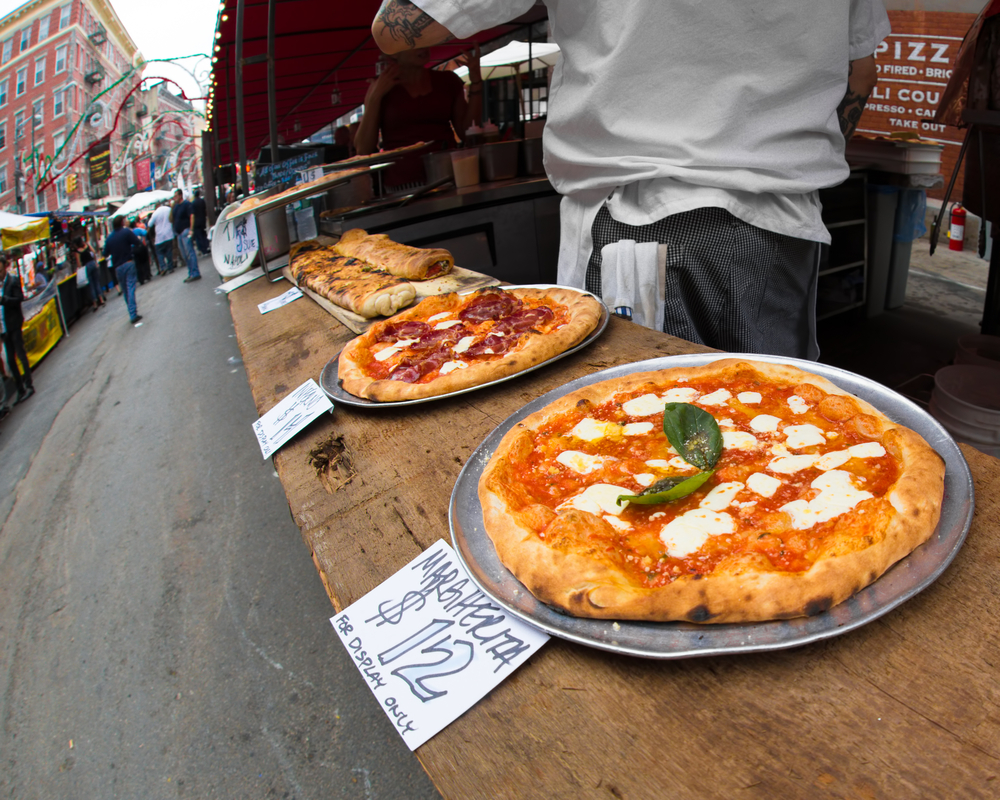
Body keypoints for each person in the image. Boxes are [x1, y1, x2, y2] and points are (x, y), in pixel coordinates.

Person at [372, 1, 887, 359]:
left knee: (643, 464)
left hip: (646, 222)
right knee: (778, 445)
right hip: (784, 225)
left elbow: (396, 26)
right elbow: (861, 71)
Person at [354, 44, 481, 188]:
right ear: (393, 53)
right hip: (402, 186)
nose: (423, 47)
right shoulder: (380, 87)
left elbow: (468, 133)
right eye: (412, 44)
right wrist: (374, 97)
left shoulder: (448, 80)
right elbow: (362, 150)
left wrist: (476, 82)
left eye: (424, 41)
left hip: (449, 177)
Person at [0, 256, 35, 403]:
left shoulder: (13, 280)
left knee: (20, 355)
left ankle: (29, 385)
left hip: (14, 323)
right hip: (4, 327)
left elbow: (19, 298)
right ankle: (20, 389)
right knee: (10, 359)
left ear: (5, 267)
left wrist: (5, 300)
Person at [102, 215, 143, 324]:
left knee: (125, 290)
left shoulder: (110, 238)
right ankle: (133, 313)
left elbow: (104, 253)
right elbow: (137, 242)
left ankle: (131, 311)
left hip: (118, 266)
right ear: (121, 223)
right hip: (128, 262)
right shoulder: (126, 232)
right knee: (130, 288)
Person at [171, 189, 201, 283]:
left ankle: (195, 272)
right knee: (185, 254)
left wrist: (191, 230)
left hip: (185, 230)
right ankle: (191, 272)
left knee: (189, 252)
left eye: (175, 196)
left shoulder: (186, 204)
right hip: (179, 233)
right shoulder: (176, 207)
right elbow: (172, 218)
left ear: (180, 195)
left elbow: (192, 216)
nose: (174, 198)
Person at [73, 235, 105, 313]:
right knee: (97, 282)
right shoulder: (87, 245)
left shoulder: (77, 252)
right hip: (93, 263)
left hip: (86, 267)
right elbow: (94, 252)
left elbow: (79, 263)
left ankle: (95, 303)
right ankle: (101, 299)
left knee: (91, 285)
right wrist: (95, 260)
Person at [148, 201, 175, 275]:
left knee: (159, 253)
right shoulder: (168, 209)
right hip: (169, 234)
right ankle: (170, 267)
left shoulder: (155, 213)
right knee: (169, 251)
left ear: (156, 207)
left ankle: (163, 267)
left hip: (159, 237)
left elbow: (149, 224)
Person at [130, 219, 152, 284]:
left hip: (133, 249)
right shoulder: (137, 230)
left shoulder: (130, 232)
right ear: (135, 224)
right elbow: (145, 233)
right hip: (141, 246)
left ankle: (141, 279)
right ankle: (147, 275)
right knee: (145, 261)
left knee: (138, 264)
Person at [190, 189, 210, 256]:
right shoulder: (202, 201)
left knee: (199, 236)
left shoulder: (193, 203)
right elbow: (205, 210)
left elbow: (192, 213)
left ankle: (203, 249)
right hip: (202, 220)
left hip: (196, 222)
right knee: (204, 234)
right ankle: (207, 246)